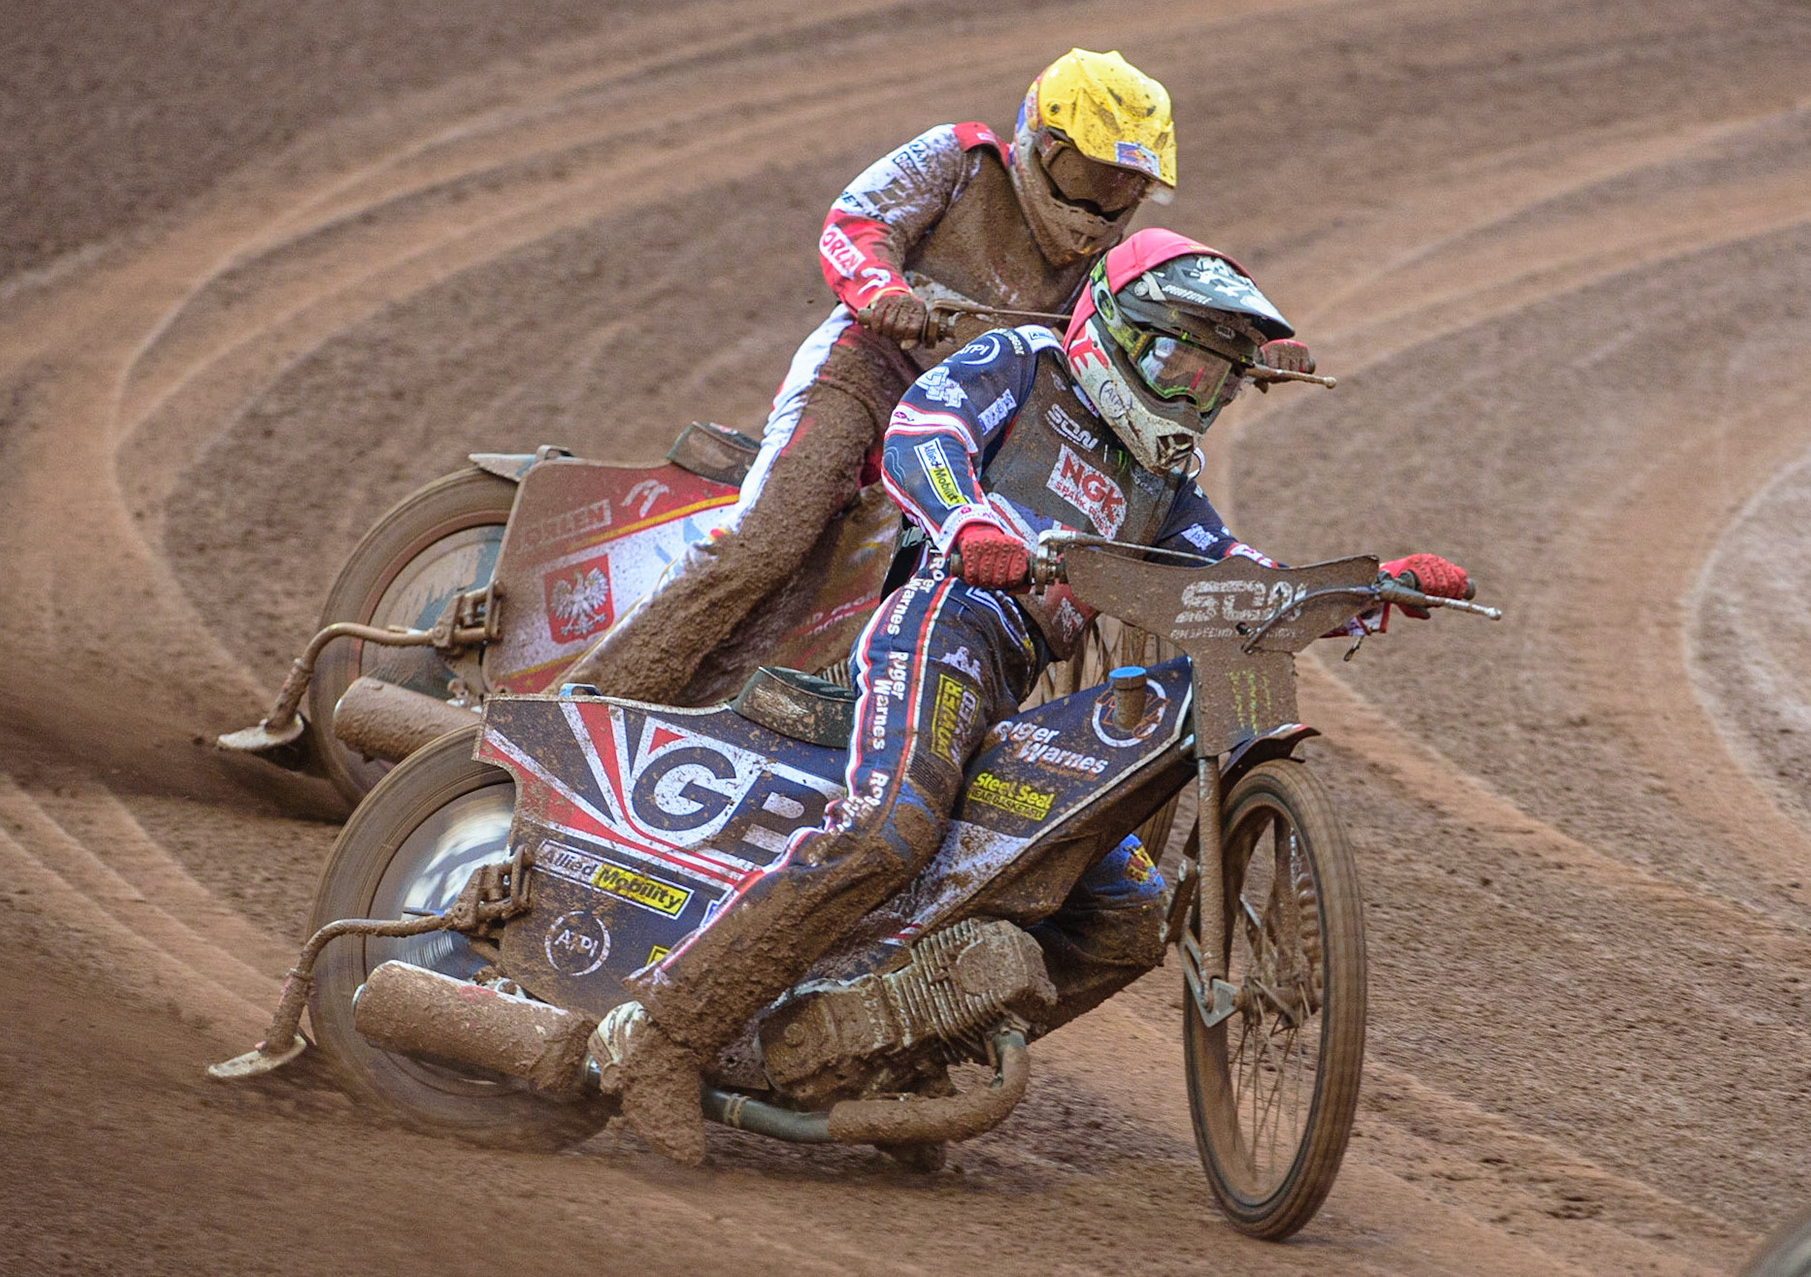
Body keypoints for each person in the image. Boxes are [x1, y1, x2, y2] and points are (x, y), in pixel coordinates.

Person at [590, 228, 1471, 1165]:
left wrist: (1366, 592)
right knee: (892, 825)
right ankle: (661, 1035)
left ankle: (895, 1054)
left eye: (1216, 380)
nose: (1195, 397)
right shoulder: (1026, 361)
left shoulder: (1164, 482)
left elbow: (1234, 581)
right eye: (1180, 364)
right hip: (942, 624)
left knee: (1127, 916)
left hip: (1020, 687)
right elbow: (922, 432)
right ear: (1121, 336)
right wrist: (969, 516)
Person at [563, 49, 1214, 704]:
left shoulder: (1109, 269)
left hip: (971, 434)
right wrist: (883, 290)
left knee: (875, 605)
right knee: (770, 537)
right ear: (1042, 143)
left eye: (1124, 187)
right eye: (1091, 177)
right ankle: (585, 696)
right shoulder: (960, 161)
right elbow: (859, 221)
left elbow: (1151, 332)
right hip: (864, 375)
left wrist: (1238, 351)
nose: (1102, 206)